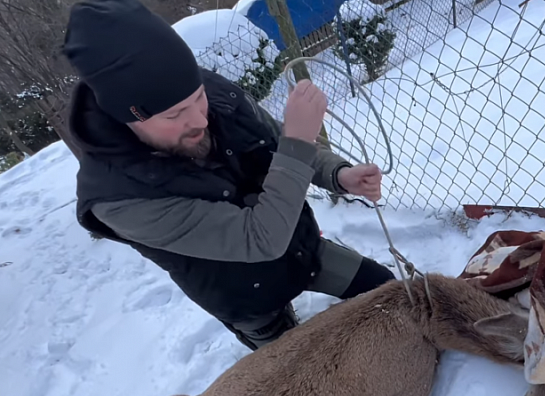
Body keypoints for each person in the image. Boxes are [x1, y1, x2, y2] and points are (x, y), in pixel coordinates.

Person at [61, 0, 395, 351]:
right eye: (175, 115)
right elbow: (260, 237)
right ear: (126, 118)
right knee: (309, 368)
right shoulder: (119, 199)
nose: (200, 120)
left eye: (198, 98)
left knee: (389, 291)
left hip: (303, 252)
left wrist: (338, 174)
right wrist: (299, 141)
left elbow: (275, 141)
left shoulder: (209, 90)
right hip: (247, 298)